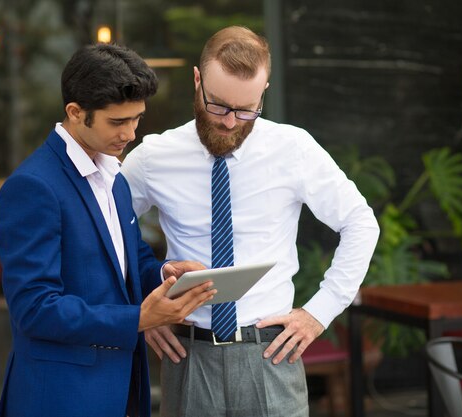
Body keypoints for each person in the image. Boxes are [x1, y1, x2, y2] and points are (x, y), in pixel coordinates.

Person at [121, 26, 380, 416]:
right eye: (219, 106)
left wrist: (318, 313)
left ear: (264, 93)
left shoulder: (292, 149)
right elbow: (105, 232)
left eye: (246, 111)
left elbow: (361, 223)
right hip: (187, 357)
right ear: (197, 81)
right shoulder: (154, 157)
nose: (229, 122)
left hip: (271, 356)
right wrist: (140, 310)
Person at [0, 43, 214, 417]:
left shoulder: (114, 176)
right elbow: (34, 308)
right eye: (117, 122)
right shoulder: (33, 186)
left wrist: (164, 273)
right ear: (76, 113)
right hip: (60, 399)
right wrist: (139, 320)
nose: (129, 134)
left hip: (122, 388)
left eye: (137, 119)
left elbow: (128, 261)